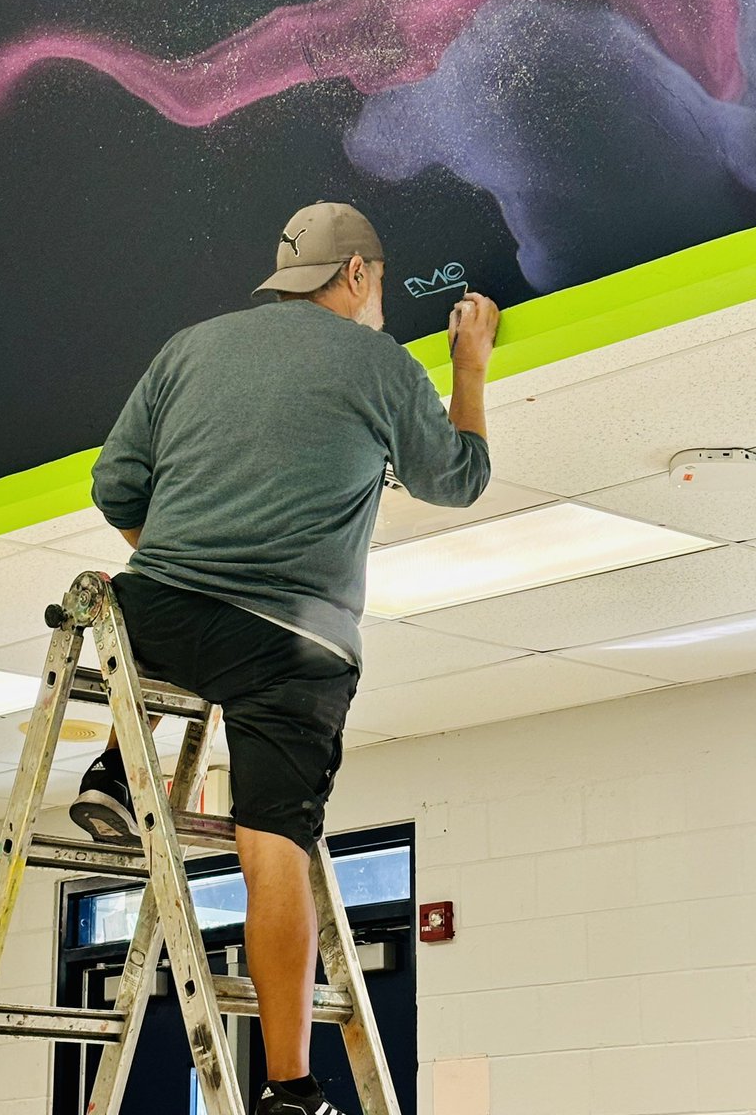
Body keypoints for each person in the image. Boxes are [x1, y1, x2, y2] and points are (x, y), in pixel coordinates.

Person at [68, 200, 500, 1115]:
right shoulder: (379, 363)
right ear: (355, 274)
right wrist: (468, 364)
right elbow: (454, 478)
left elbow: (114, 485)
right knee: (275, 852)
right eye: (379, 279)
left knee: (137, 608)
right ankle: (288, 1093)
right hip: (293, 646)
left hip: (165, 612)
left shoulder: (189, 347)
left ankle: (117, 766)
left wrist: (185, 562)